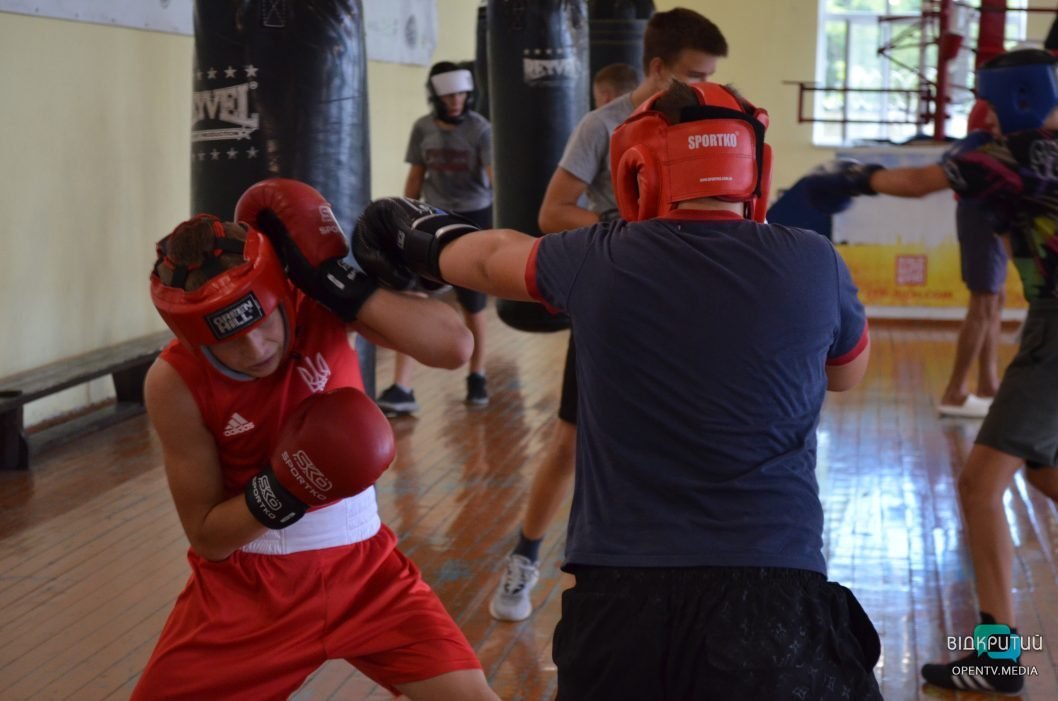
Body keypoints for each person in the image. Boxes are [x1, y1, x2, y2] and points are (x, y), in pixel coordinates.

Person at [354, 81, 880, 700]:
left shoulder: (599, 257)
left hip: (621, 595)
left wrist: (408, 230)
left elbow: (491, 256)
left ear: (640, 166)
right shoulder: (814, 261)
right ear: (755, 167)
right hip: (774, 591)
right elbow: (847, 373)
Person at [132, 179, 498, 701]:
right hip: (252, 591)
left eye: (261, 324)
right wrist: (287, 489)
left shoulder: (316, 306)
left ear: (280, 294)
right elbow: (208, 536)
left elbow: (454, 347)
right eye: (228, 342)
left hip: (368, 573)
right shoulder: (174, 384)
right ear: (193, 339)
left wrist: (340, 284)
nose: (255, 348)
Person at [801, 48, 1058, 695]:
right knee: (1041, 467)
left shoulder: (1005, 153)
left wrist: (852, 176)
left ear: (1019, 97)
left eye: (993, 103)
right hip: (1049, 327)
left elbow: (914, 182)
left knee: (979, 486)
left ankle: (998, 655)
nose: (988, 116)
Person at [490, 6, 729, 623]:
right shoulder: (603, 125)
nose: (705, 83)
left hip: (687, 308)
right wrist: (622, 230)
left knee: (686, 444)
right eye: (694, 72)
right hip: (617, 303)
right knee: (570, 443)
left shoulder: (711, 116)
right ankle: (524, 557)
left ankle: (688, 578)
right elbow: (551, 213)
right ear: (657, 68)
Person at [376, 61, 494, 416]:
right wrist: (400, 221)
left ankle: (477, 375)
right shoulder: (422, 128)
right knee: (412, 296)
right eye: (448, 95)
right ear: (436, 97)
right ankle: (403, 386)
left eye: (460, 93)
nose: (455, 101)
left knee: (472, 303)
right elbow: (415, 178)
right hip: (431, 218)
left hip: (473, 216)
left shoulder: (481, 129)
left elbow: (494, 175)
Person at [938, 100, 1009, 418]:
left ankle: (988, 383)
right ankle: (954, 390)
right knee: (983, 301)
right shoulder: (994, 106)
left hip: (995, 209)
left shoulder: (1010, 101)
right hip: (981, 210)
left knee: (996, 299)